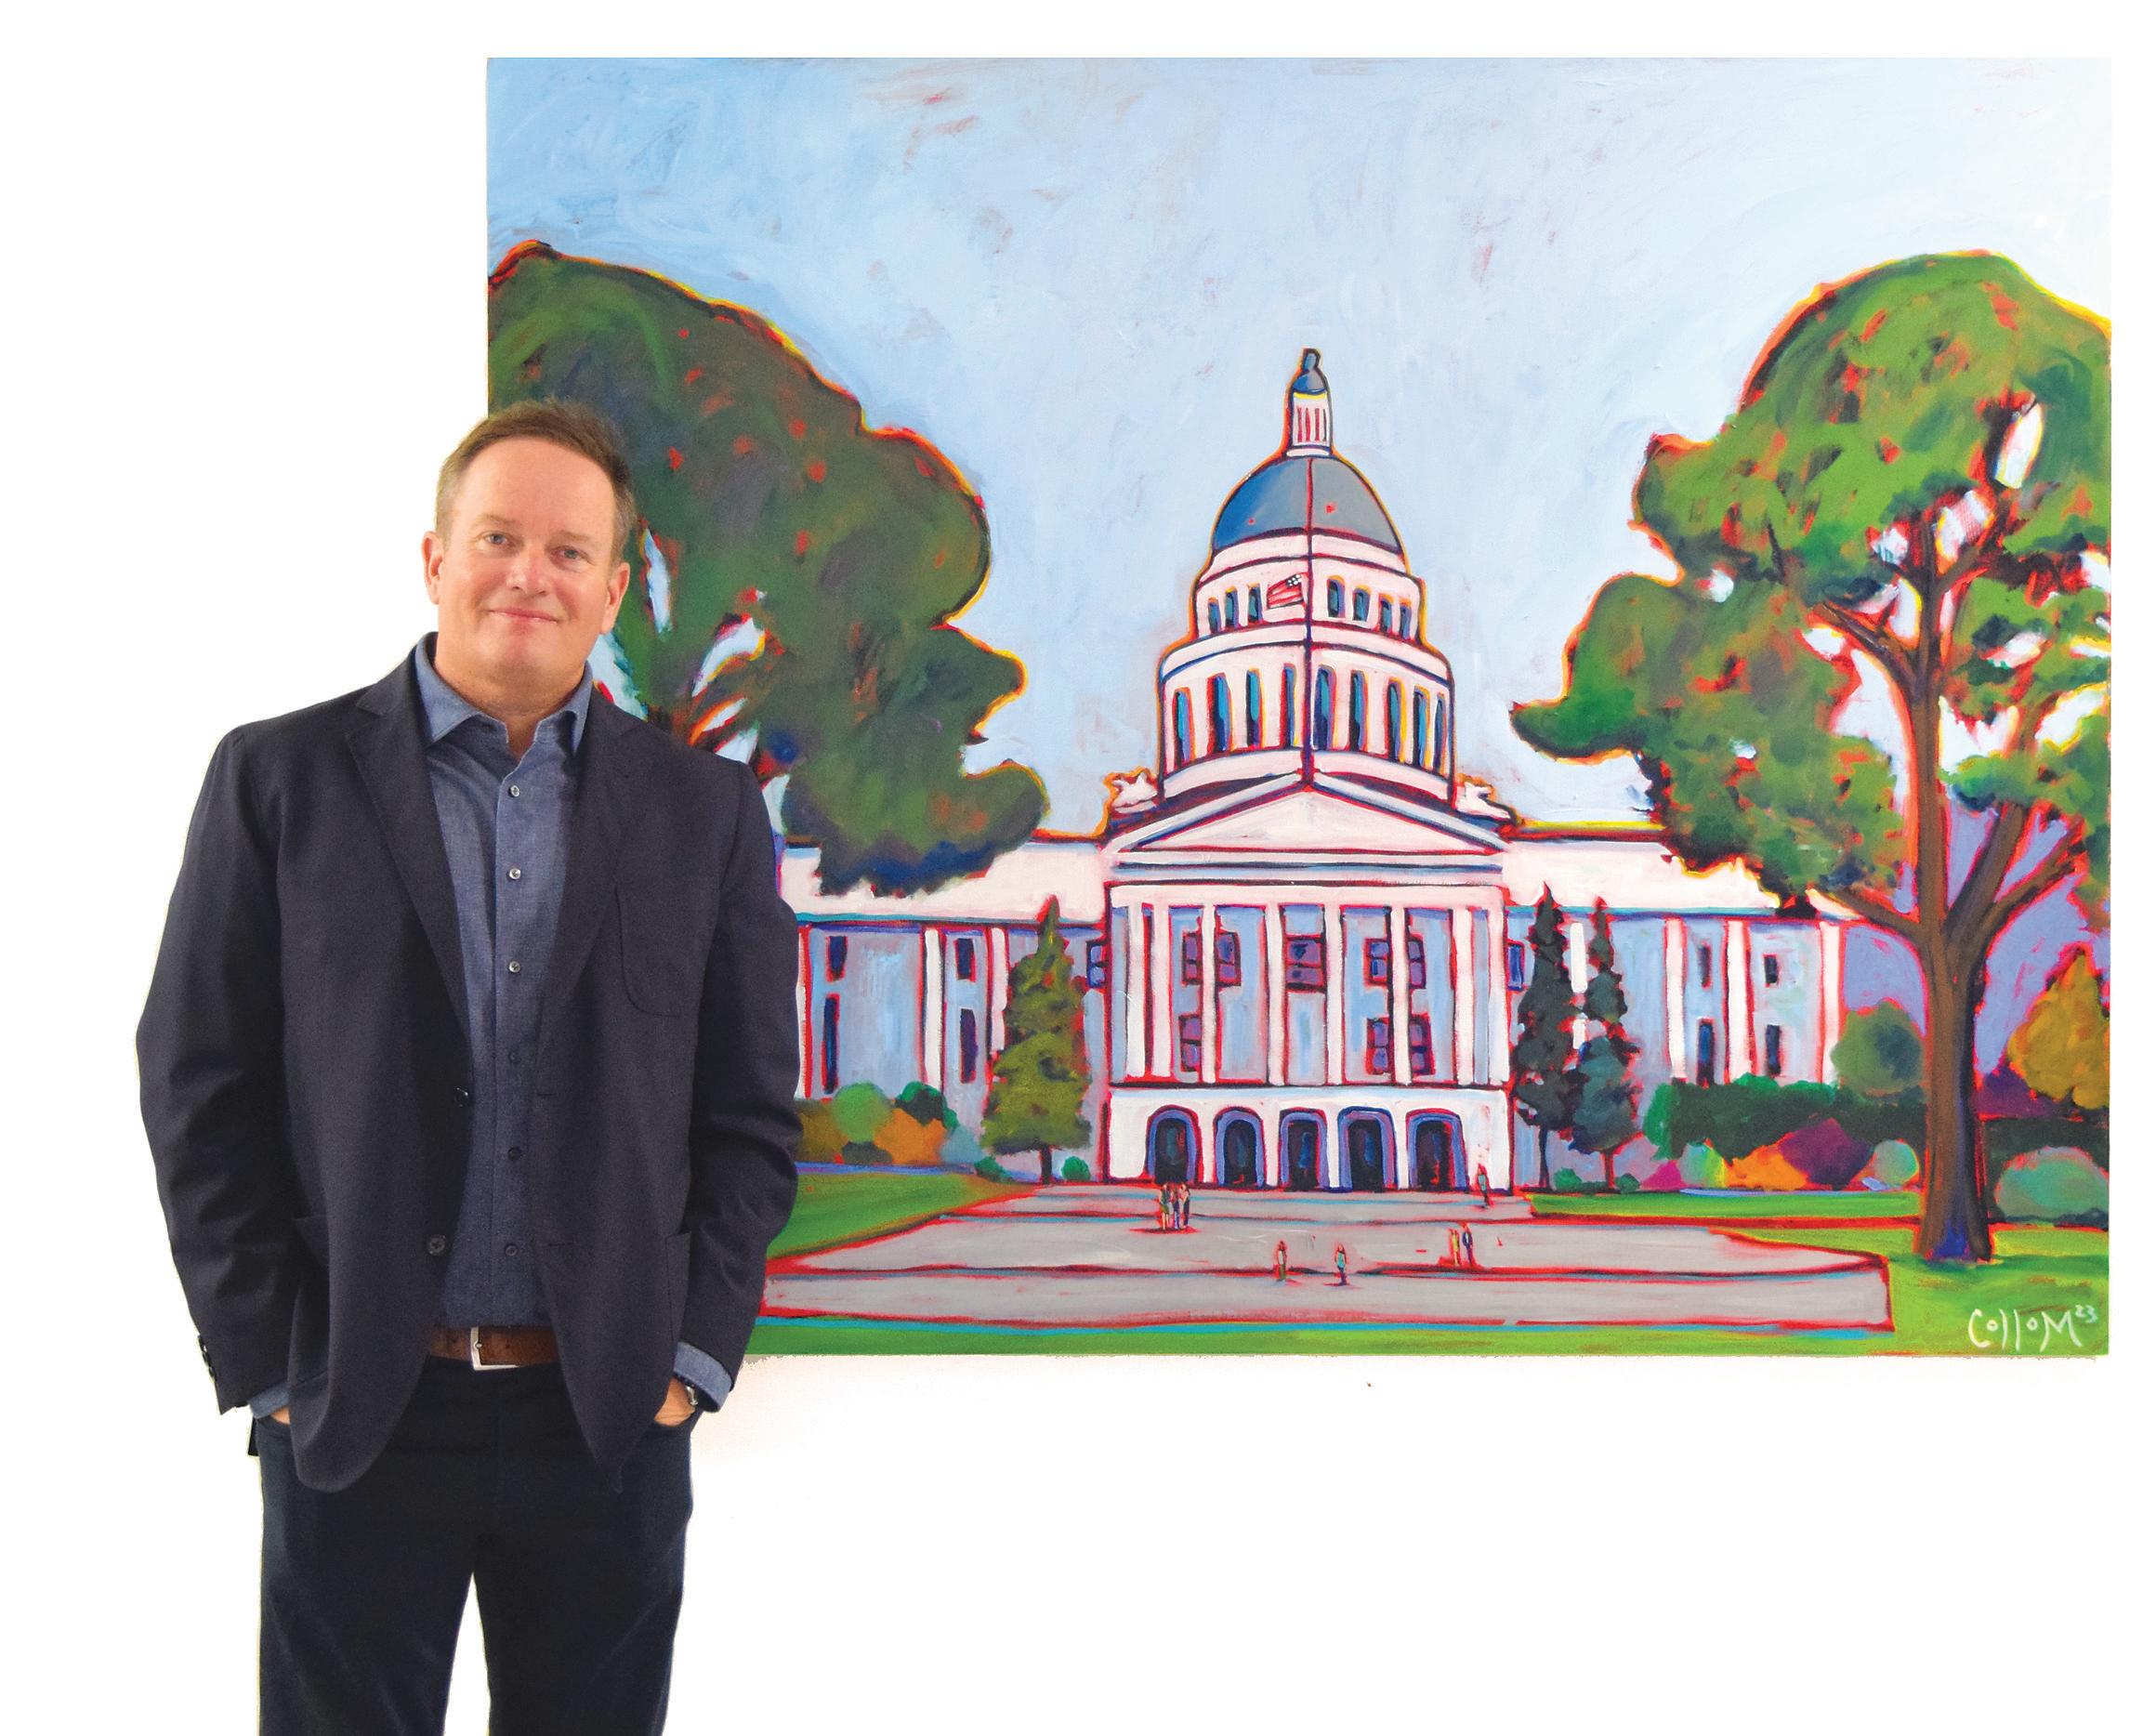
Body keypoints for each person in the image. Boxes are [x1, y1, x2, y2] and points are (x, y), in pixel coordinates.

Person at [138, 400, 803, 1735]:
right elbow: (198, 1078)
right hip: (358, 1409)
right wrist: (271, 1361)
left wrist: (689, 1357)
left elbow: (747, 1113)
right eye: (498, 537)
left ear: (611, 590)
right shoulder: (278, 780)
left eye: (569, 551)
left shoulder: (703, 815)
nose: (528, 574)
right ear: (435, 557)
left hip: (604, 1416)